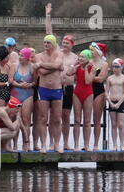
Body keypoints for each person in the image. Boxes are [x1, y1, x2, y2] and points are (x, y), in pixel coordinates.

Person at [45, 2, 79, 150]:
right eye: (63, 42)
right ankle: (52, 142)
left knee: (65, 117)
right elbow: (49, 33)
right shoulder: (57, 51)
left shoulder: (76, 57)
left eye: (67, 43)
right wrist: (48, 15)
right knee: (53, 117)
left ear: (72, 44)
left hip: (69, 88)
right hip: (56, 87)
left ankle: (65, 143)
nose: (64, 44)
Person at [33, 34, 64, 153]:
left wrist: (41, 64)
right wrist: (55, 67)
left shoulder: (59, 54)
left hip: (57, 89)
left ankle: (56, 144)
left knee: (56, 118)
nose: (46, 44)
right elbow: (41, 72)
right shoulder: (38, 55)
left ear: (54, 44)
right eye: (45, 42)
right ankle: (43, 145)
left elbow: (57, 65)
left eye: (48, 43)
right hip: (43, 89)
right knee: (42, 118)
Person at [67, 49, 96, 152]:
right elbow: (68, 73)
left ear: (88, 58)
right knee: (77, 120)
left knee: (87, 121)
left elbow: (88, 81)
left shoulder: (93, 68)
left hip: (88, 94)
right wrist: (74, 64)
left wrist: (86, 69)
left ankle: (86, 145)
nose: (80, 58)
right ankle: (76, 145)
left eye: (83, 57)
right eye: (79, 56)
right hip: (77, 93)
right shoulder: (77, 67)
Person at [9, 47, 36, 152]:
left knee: (26, 120)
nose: (20, 57)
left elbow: (35, 82)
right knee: (15, 119)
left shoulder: (32, 67)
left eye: (22, 56)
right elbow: (10, 80)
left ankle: (26, 143)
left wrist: (29, 84)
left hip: (28, 94)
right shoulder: (14, 66)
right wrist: (20, 85)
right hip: (15, 94)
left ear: (28, 58)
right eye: (19, 55)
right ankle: (15, 145)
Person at [105, 58, 124, 151]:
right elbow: (106, 92)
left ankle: (122, 144)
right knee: (114, 124)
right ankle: (114, 144)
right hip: (112, 103)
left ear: (121, 67)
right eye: (114, 67)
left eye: (117, 66)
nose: (115, 68)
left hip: (120, 103)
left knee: (121, 124)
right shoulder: (110, 78)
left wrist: (119, 103)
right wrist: (110, 102)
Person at [90, 42, 108, 151]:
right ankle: (86, 143)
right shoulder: (88, 62)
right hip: (88, 90)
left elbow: (101, 79)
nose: (91, 51)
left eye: (93, 50)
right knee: (87, 120)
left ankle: (96, 144)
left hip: (98, 91)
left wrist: (88, 78)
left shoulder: (104, 64)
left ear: (98, 52)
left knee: (96, 119)